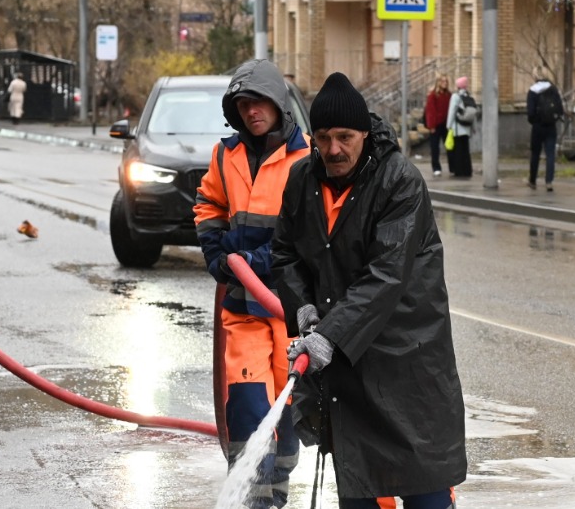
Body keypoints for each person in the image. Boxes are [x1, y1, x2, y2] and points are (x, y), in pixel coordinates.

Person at [271, 71, 466, 508]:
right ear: (312, 137)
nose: (334, 149)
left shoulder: (399, 181)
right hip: (345, 365)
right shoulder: (302, 180)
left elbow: (387, 275)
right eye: (323, 138)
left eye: (345, 136)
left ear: (364, 132)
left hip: (407, 361)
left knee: (424, 483)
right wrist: (303, 308)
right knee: (357, 483)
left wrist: (329, 335)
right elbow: (284, 253)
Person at [194, 59, 311, 509]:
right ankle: (253, 501)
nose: (250, 112)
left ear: (278, 104)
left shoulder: (305, 159)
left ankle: (273, 491)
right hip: (243, 307)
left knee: (287, 411)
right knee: (246, 404)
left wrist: (255, 260)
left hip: (290, 309)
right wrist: (215, 255)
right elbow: (209, 203)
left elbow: (306, 232)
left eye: (257, 101)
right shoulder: (227, 155)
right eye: (242, 104)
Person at [526, 67, 564, 192]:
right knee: (550, 154)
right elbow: (560, 109)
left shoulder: (532, 91)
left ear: (535, 76)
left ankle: (532, 181)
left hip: (537, 126)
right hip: (551, 126)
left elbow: (530, 112)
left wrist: (534, 121)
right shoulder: (553, 89)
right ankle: (549, 182)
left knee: (535, 153)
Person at [424, 73, 452, 177]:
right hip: (435, 125)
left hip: (446, 125)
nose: (445, 83)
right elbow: (430, 111)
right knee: (435, 148)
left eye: (446, 81)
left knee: (449, 146)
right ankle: (436, 167)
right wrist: (431, 126)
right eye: (443, 81)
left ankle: (452, 167)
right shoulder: (433, 95)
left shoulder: (448, 95)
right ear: (438, 83)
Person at [446, 76, 474, 178]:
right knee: (466, 150)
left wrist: (448, 126)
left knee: (458, 150)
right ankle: (467, 170)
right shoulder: (468, 96)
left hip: (457, 128)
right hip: (466, 128)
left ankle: (459, 171)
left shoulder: (455, 96)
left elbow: (452, 111)